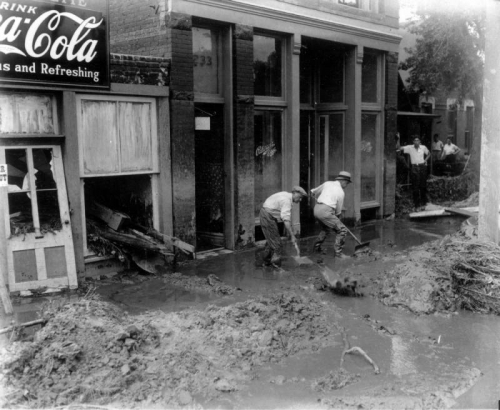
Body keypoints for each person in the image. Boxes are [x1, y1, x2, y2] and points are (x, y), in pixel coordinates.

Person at [260, 186, 308, 267]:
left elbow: (284, 217)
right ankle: (276, 266)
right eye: (300, 197)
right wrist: (292, 236)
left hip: (267, 214)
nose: (300, 200)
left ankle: (266, 262)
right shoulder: (286, 201)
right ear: (294, 193)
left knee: (271, 241)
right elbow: (286, 220)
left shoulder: (286, 195)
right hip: (267, 216)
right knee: (277, 244)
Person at [310, 171, 352, 259]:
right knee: (342, 230)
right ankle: (338, 254)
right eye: (347, 183)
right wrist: (338, 219)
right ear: (343, 181)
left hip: (317, 209)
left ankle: (316, 248)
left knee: (326, 228)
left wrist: (314, 194)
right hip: (326, 211)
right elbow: (338, 212)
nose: (346, 185)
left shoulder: (327, 183)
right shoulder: (341, 192)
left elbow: (313, 191)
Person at [396, 134, 430, 211]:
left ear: (420, 142)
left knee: (423, 186)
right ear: (413, 142)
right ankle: (417, 205)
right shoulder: (409, 148)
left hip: (422, 167)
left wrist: (425, 160)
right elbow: (399, 148)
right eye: (415, 140)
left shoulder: (423, 147)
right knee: (415, 187)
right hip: (414, 167)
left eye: (418, 140)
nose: (416, 142)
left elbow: (429, 154)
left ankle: (423, 204)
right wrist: (398, 139)